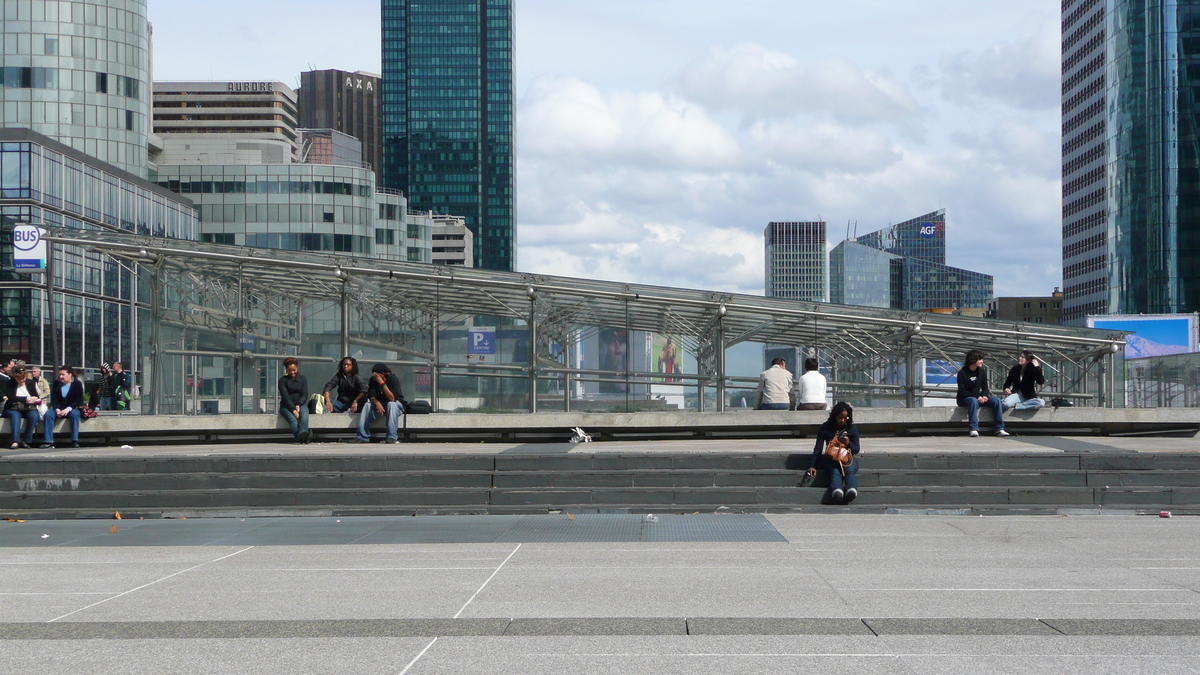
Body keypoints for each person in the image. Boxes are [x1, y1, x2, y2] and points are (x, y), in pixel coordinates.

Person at [804, 402, 861, 504]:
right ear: (835, 416)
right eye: (840, 417)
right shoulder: (826, 427)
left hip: (847, 458)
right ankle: (837, 491)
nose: (842, 420)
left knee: (849, 470)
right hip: (831, 458)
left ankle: (851, 490)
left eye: (845, 418)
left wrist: (848, 443)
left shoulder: (852, 428)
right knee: (835, 471)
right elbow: (818, 448)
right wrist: (812, 466)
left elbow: (856, 449)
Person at [956, 349, 1008, 438]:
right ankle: (973, 428)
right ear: (973, 360)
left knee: (996, 400)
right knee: (973, 400)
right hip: (965, 398)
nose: (982, 361)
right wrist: (977, 397)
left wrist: (984, 396)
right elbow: (962, 391)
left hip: (978, 397)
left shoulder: (981, 372)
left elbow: (985, 387)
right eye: (980, 359)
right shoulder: (962, 373)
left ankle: (999, 428)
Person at [356, 363, 405, 444]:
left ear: (383, 374)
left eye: (376, 374)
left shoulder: (393, 379)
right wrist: (377, 403)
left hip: (396, 404)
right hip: (381, 404)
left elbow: (392, 398)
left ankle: (391, 437)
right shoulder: (373, 380)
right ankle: (362, 436)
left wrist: (382, 383)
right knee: (367, 405)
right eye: (373, 374)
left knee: (391, 404)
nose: (374, 376)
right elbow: (371, 396)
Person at [44, 365, 84, 449]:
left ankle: (74, 441)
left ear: (70, 374)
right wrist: (57, 409)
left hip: (72, 408)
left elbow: (79, 401)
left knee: (75, 415)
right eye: (60, 375)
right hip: (59, 408)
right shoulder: (56, 384)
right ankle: (48, 441)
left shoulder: (77, 384)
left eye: (63, 374)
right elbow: (54, 400)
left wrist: (68, 409)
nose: (61, 377)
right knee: (48, 415)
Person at [4, 365, 43, 449]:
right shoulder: (10, 383)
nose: (22, 380)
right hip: (14, 407)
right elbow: (11, 398)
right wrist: (25, 398)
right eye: (19, 379)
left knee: (34, 416)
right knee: (15, 417)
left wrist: (33, 398)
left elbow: (36, 395)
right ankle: (15, 441)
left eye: (23, 378)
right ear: (15, 377)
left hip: (29, 407)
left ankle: (26, 440)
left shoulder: (31, 382)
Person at [277, 357, 311, 443]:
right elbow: (285, 396)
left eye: (294, 370)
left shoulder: (303, 379)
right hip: (286, 406)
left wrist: (299, 404)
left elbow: (305, 394)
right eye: (290, 370)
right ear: (286, 370)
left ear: (297, 368)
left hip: (300, 404)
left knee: (305, 415)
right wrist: (293, 409)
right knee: (293, 420)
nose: (292, 372)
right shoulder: (282, 381)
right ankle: (303, 438)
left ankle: (303, 433)